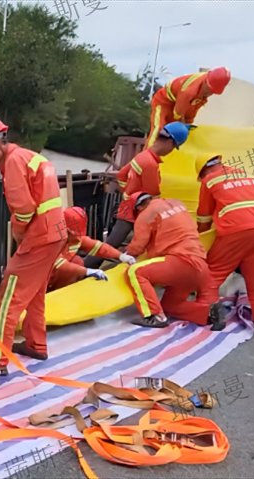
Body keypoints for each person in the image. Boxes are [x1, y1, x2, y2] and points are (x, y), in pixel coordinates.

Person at [0, 117, 67, 365]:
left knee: (7, 298)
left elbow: (23, 209)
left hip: (39, 236)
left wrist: (19, 232)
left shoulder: (12, 163)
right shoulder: (28, 156)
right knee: (34, 293)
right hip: (54, 234)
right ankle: (36, 344)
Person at [86, 121, 192, 269]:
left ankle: (84, 269)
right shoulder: (150, 164)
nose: (171, 151)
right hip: (136, 210)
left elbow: (121, 175)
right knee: (111, 245)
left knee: (111, 244)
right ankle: (80, 271)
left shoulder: (143, 156)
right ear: (169, 142)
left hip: (130, 207)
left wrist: (128, 194)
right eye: (174, 147)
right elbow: (154, 197)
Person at [196, 154, 254, 328]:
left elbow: (204, 216)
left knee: (212, 273)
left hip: (234, 231)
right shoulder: (249, 175)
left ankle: (205, 312)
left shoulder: (210, 181)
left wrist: (200, 240)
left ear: (204, 171)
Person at [122, 193, 223, 330]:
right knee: (170, 306)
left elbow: (137, 247)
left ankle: (154, 316)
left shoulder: (145, 214)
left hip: (180, 262)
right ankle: (207, 313)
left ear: (139, 207)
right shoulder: (177, 203)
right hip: (199, 263)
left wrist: (124, 255)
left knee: (135, 271)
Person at [49, 207, 136, 291]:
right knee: (75, 264)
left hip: (54, 274)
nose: (77, 237)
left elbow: (98, 247)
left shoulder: (73, 238)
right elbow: (58, 264)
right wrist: (86, 271)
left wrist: (120, 256)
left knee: (77, 261)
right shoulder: (50, 241)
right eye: (74, 234)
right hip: (43, 279)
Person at [146, 67, 230, 147]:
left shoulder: (201, 94)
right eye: (209, 90)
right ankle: (147, 156)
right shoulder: (189, 91)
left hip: (179, 104)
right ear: (205, 82)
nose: (210, 93)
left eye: (213, 92)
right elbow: (178, 115)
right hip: (163, 101)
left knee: (179, 133)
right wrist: (182, 129)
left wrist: (188, 127)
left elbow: (190, 114)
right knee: (159, 129)